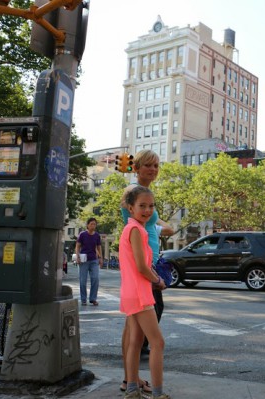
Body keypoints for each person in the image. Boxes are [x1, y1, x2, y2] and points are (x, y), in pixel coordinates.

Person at [120, 150, 173, 394]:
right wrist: (155, 277)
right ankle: (130, 380)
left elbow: (148, 225)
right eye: (148, 165)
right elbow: (135, 233)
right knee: (143, 336)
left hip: (147, 268)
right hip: (144, 274)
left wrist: (163, 228)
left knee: (135, 333)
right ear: (137, 167)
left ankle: (131, 383)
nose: (153, 169)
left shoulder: (146, 198)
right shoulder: (133, 196)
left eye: (156, 165)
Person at [75, 217, 102, 306]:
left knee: (95, 279)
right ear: (87, 225)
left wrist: (100, 258)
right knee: (83, 281)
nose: (93, 225)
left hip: (94, 260)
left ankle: (93, 299)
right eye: (91, 224)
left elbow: (99, 247)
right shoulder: (82, 234)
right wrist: (78, 257)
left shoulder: (97, 235)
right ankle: (83, 299)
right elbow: (78, 246)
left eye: (94, 224)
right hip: (83, 261)